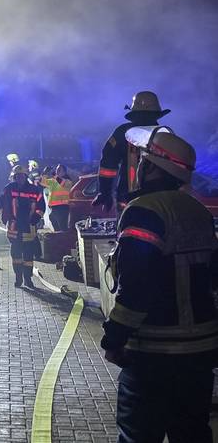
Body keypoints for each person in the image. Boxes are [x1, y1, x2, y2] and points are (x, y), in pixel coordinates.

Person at [101, 127, 218, 443]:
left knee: (138, 436)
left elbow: (137, 286)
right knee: (192, 434)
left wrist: (114, 338)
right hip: (200, 353)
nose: (138, 166)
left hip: (153, 353)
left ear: (153, 168)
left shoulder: (144, 211)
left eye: (143, 161)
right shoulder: (198, 211)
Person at [93, 91, 170, 213]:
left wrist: (105, 192)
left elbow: (108, 165)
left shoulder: (122, 132)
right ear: (157, 113)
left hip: (128, 199)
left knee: (129, 224)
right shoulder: (166, 134)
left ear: (133, 111)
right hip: (160, 201)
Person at [0, 163, 45, 288]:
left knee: (28, 256)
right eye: (17, 176)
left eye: (22, 176)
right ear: (14, 177)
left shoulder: (34, 190)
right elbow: (2, 204)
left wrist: (36, 218)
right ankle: (18, 277)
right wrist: (5, 218)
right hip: (14, 226)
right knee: (16, 255)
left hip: (29, 226)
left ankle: (28, 279)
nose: (20, 178)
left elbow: (41, 206)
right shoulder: (9, 189)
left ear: (25, 176)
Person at [42, 164, 73, 231]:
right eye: (57, 170)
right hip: (54, 207)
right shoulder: (53, 181)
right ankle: (58, 236)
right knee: (55, 223)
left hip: (62, 207)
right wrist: (44, 173)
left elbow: (61, 183)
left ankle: (64, 236)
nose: (57, 171)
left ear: (64, 172)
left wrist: (53, 174)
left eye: (59, 170)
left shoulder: (68, 181)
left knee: (62, 227)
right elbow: (42, 182)